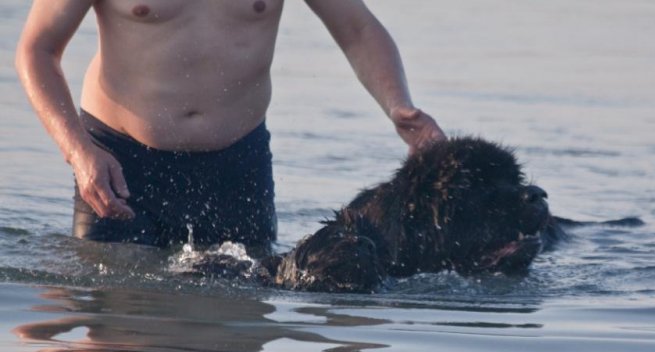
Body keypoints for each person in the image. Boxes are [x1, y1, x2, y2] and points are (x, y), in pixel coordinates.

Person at [15, 0, 445, 249]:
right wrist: (78, 151)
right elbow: (37, 50)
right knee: (118, 329)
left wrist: (398, 106)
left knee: (234, 335)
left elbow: (357, 29)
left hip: (236, 167)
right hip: (119, 165)